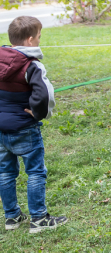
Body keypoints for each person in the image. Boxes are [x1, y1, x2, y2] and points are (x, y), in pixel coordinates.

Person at [0, 16, 68, 233]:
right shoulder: (32, 65)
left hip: (1, 129)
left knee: (5, 173)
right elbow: (44, 95)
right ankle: (39, 218)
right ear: (30, 40)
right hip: (24, 128)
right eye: (39, 37)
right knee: (36, 172)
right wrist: (39, 113)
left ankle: (12, 217)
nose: (39, 40)